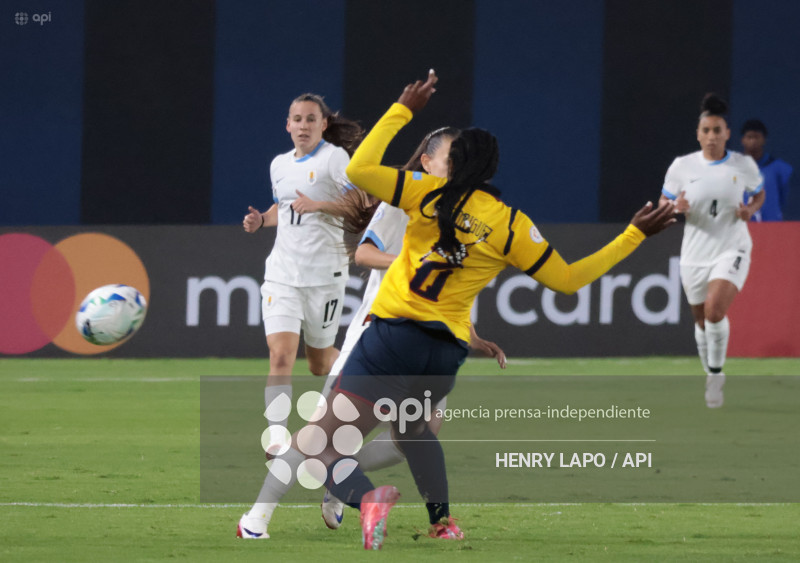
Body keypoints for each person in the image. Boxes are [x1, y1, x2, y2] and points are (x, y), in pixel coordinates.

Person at [296, 69, 675, 551]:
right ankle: (442, 522)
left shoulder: (422, 193)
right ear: (490, 171)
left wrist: (403, 109)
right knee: (413, 431)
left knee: (317, 445)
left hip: (391, 340)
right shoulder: (510, 223)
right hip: (445, 353)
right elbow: (569, 280)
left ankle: (366, 499)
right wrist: (633, 235)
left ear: (451, 163)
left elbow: (359, 170)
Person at [237, 126, 506, 539]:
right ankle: (258, 517)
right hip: (377, 337)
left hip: (430, 341)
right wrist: (410, 262)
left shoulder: (463, 213)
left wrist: (471, 333)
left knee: (416, 435)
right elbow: (364, 251)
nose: (456, 167)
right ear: (427, 162)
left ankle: (351, 482)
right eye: (450, 158)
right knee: (317, 436)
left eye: (461, 159)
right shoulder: (405, 200)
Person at [242, 93, 364, 452]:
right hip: (282, 274)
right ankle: (277, 436)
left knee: (318, 363)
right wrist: (262, 220)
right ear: (287, 125)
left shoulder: (334, 158)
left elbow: (359, 203)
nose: (303, 126)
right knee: (280, 354)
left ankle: (362, 387)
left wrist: (319, 205)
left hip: (324, 276)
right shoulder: (279, 164)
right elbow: (285, 207)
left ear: (323, 124)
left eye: (311, 119)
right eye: (297, 119)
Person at [659, 94, 765, 408]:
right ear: (698, 133)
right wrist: (674, 207)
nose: (712, 137)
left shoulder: (742, 165)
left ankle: (716, 374)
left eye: (717, 130)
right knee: (702, 322)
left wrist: (751, 210)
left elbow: (758, 195)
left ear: (727, 134)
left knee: (714, 310)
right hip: (695, 253)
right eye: (706, 130)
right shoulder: (682, 166)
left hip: (732, 246)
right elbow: (664, 201)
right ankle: (709, 371)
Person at [740, 119, 793, 221]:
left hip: (772, 230)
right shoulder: (732, 169)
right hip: (741, 229)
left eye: (756, 137)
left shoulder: (780, 169)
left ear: (764, 139)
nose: (753, 141)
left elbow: (786, 202)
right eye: (749, 137)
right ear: (743, 140)